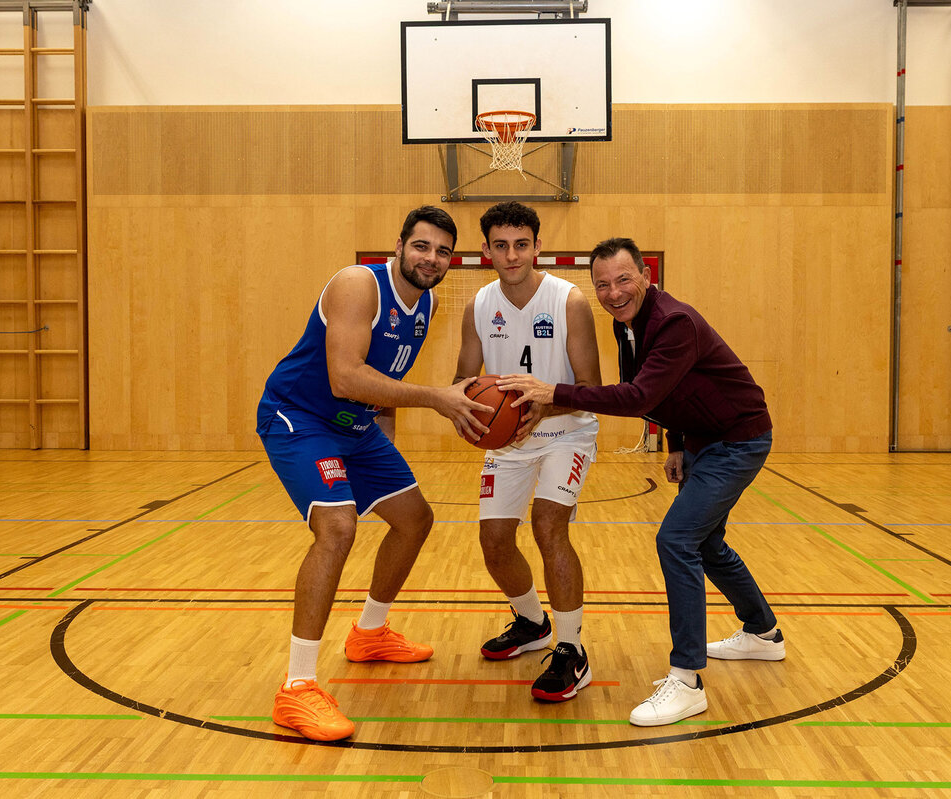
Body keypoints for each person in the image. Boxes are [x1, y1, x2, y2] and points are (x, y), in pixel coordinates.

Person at [498, 237, 783, 727]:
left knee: (676, 539)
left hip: (738, 438)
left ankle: (688, 680)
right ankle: (762, 632)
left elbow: (637, 396)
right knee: (706, 543)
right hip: (701, 438)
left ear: (646, 275)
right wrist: (675, 443)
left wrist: (554, 391)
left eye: (623, 279)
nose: (613, 292)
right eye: (603, 284)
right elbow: (669, 391)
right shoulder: (627, 324)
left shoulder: (673, 323)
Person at [257, 206, 491, 741]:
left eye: (443, 252)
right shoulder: (358, 284)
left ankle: (369, 633)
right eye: (422, 246)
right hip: (301, 418)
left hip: (355, 425)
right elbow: (344, 376)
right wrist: (437, 399)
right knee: (338, 528)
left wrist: (379, 460)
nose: (432, 259)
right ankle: (297, 688)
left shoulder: (425, 302)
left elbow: (380, 383)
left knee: (414, 519)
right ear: (400, 246)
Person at [454, 201, 602, 702]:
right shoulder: (478, 305)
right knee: (494, 542)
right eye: (501, 245)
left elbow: (590, 386)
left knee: (546, 525)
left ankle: (570, 649)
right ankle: (532, 622)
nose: (512, 255)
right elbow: (463, 379)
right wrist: (468, 411)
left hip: (567, 431)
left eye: (521, 245)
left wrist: (545, 404)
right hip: (510, 440)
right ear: (486, 251)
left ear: (538, 247)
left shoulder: (569, 301)